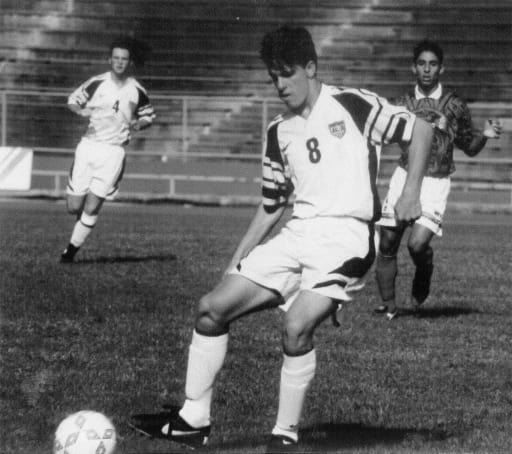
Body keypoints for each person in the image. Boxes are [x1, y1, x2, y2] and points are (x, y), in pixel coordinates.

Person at [129, 25, 433, 452]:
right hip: (298, 234)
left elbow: (420, 129)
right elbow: (272, 204)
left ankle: (284, 437)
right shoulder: (279, 131)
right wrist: (236, 262)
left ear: (311, 67)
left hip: (346, 237)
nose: (280, 85)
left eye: (287, 74)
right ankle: (192, 421)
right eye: (273, 77)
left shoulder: (353, 104)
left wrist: (413, 192)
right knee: (210, 310)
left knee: (295, 327)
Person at [374, 40, 502, 320]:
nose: (427, 69)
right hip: (405, 177)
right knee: (387, 243)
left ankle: (425, 267)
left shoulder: (455, 105)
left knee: (417, 244)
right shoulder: (401, 104)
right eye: (422, 63)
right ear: (413, 67)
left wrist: (485, 137)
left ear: (441, 68)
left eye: (432, 64)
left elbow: (469, 147)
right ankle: (389, 307)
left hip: (435, 181)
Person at [60, 37, 155, 263]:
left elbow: (148, 116)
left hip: (113, 152)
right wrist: (79, 111)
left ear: (129, 62)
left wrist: (138, 124)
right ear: (109, 60)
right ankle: (78, 229)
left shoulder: (137, 90)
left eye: (124, 59)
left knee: (92, 207)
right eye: (116, 58)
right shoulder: (97, 83)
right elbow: (73, 100)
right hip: (89, 148)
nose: (119, 62)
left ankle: (70, 253)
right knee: (74, 207)